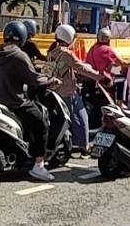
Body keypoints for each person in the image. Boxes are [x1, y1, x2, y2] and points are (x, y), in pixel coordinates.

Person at [0, 20, 56, 181]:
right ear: (23, 36)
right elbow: (34, 79)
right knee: (41, 122)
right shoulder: (19, 55)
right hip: (14, 102)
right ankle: (39, 165)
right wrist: (51, 80)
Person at [44, 24, 104, 153]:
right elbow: (81, 67)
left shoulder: (51, 53)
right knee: (81, 117)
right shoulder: (67, 53)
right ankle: (84, 145)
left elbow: (59, 70)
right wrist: (100, 77)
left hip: (55, 92)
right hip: (68, 93)